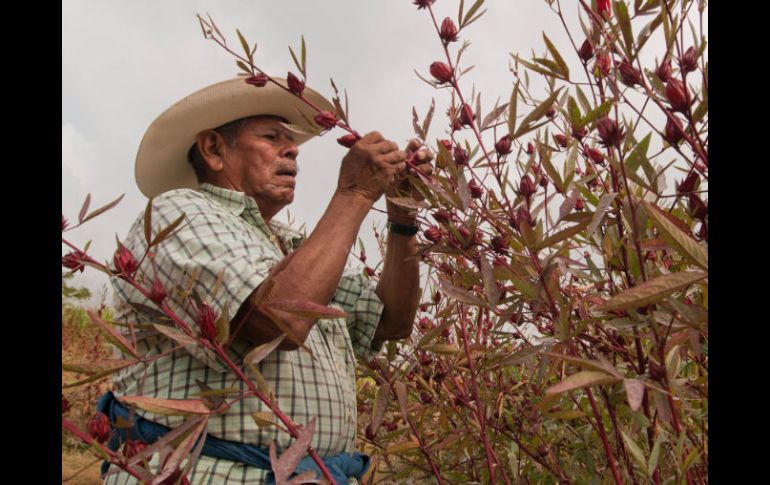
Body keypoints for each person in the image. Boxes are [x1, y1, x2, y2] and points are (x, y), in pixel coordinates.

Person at [100, 77, 433, 484]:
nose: (292, 149)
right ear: (213, 150)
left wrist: (401, 218)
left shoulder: (289, 245)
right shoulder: (177, 214)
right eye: (272, 137)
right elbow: (280, 319)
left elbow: (389, 321)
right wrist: (355, 194)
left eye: (289, 139)